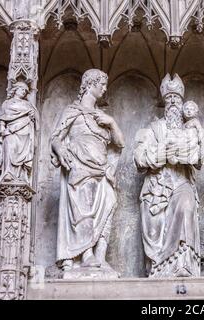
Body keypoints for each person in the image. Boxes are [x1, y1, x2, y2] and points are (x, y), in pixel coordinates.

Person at [51, 69, 124, 272]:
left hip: (102, 169)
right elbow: (56, 137)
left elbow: (120, 143)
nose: (105, 88)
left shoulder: (102, 116)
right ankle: (85, 254)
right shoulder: (72, 111)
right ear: (90, 84)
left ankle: (100, 257)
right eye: (101, 84)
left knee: (108, 205)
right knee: (84, 211)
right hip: (81, 168)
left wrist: (112, 123)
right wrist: (61, 150)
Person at [134, 74, 202, 277]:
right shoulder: (152, 129)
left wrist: (187, 151)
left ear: (182, 102)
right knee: (154, 224)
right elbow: (138, 159)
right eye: (169, 98)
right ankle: (158, 268)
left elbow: (199, 160)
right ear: (164, 101)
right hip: (157, 185)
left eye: (177, 98)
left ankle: (182, 264)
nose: (173, 101)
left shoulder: (191, 129)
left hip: (181, 182)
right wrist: (161, 154)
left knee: (186, 204)